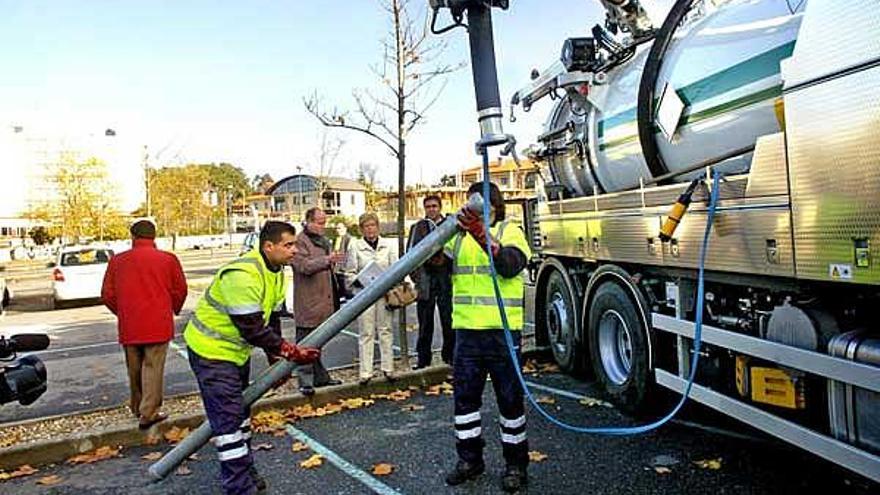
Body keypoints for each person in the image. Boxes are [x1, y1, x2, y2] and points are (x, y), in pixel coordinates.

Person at [183, 221, 321, 495]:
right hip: (210, 352)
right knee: (229, 421)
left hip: (233, 353)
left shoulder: (275, 271)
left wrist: (277, 363)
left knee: (241, 414)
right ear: (268, 246)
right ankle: (238, 487)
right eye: (288, 245)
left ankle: (245, 471)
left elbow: (270, 321)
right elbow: (251, 327)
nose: (294, 250)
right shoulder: (243, 274)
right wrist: (290, 352)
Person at [443, 182, 533, 493]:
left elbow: (510, 265)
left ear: (494, 205)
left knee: (510, 401)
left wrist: (482, 234)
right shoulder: (459, 236)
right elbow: (433, 260)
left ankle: (516, 465)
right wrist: (443, 228)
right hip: (467, 334)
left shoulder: (510, 230)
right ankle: (470, 460)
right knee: (465, 401)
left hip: (503, 333)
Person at [101, 219, 187, 430]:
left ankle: (137, 405)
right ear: (154, 236)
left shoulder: (118, 261)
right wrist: (173, 308)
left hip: (130, 322)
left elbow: (107, 294)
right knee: (153, 367)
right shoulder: (167, 259)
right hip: (158, 321)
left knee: (134, 368)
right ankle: (148, 411)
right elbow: (180, 289)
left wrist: (122, 312)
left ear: (133, 236)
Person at [291, 207, 345, 396]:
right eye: (320, 223)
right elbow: (303, 266)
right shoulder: (299, 242)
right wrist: (327, 259)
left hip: (325, 300)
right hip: (308, 302)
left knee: (318, 342)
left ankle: (320, 377)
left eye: (325, 222)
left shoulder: (324, 242)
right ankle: (305, 381)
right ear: (308, 221)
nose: (323, 227)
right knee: (306, 342)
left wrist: (332, 261)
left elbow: (325, 266)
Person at [344, 212, 398, 385]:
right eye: (366, 226)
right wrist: (358, 280)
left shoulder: (388, 245)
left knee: (386, 330)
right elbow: (349, 274)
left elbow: (395, 268)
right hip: (364, 294)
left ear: (378, 227)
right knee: (366, 333)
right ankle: (366, 372)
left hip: (384, 294)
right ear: (361, 229)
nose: (370, 229)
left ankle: (388, 368)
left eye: (373, 225)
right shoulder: (355, 246)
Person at [407, 194, 454, 369]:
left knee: (448, 320)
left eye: (434, 206)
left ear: (440, 207)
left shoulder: (450, 225)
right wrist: (417, 279)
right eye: (428, 207)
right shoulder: (417, 228)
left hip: (445, 279)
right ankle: (423, 358)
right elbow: (409, 255)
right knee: (425, 323)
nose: (432, 209)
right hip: (426, 280)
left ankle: (450, 355)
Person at [332, 222, 353, 308]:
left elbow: (348, 254)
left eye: (340, 228)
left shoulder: (348, 239)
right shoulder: (337, 239)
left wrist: (344, 267)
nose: (338, 230)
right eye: (337, 228)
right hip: (336, 268)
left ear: (345, 228)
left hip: (343, 269)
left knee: (346, 290)